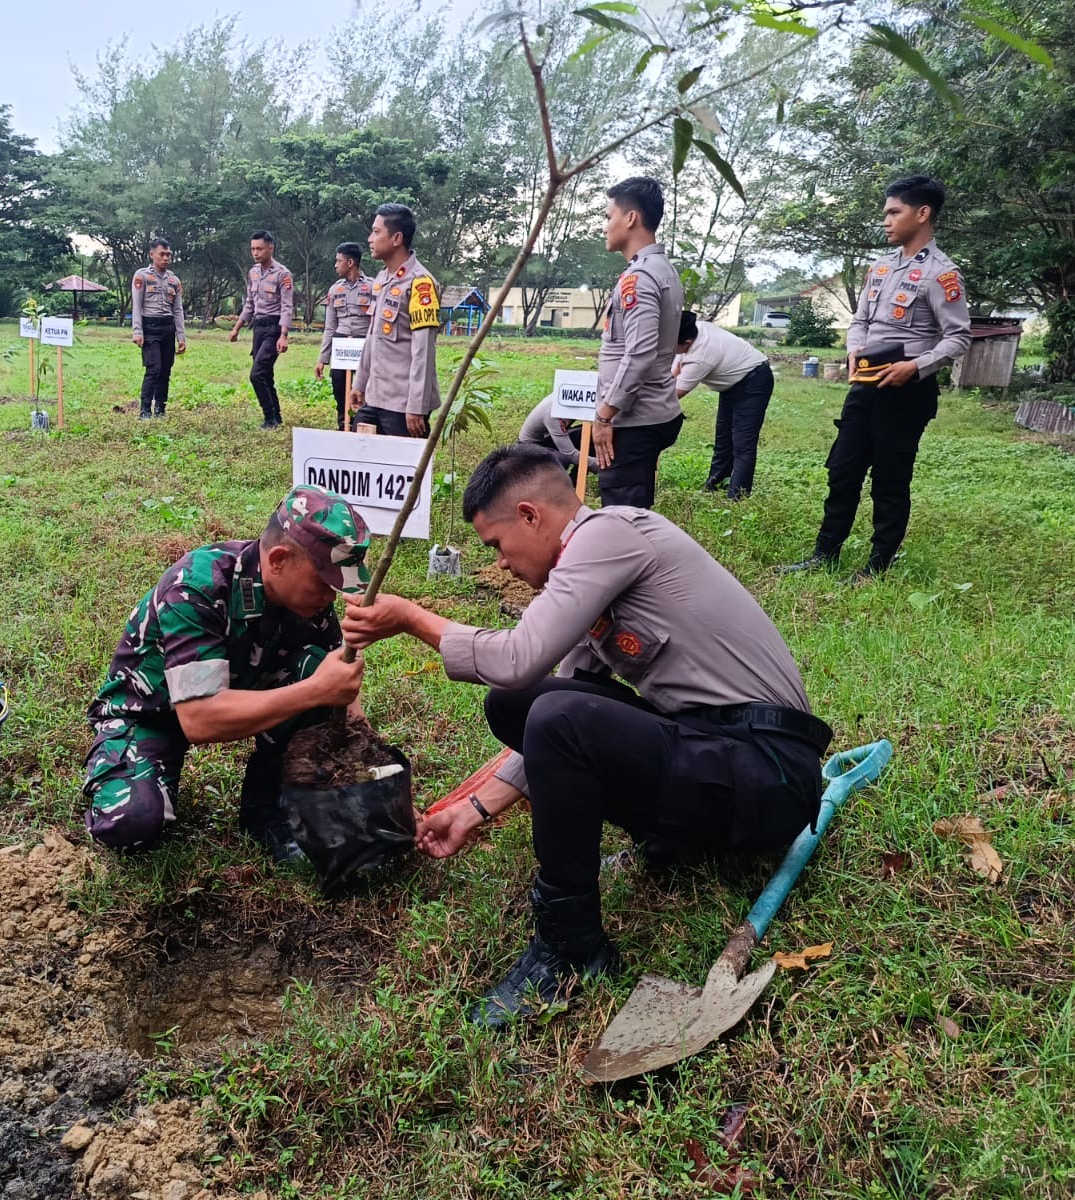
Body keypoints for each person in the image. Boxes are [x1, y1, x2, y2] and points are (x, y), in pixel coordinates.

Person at [342, 444, 831, 1028]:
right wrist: (474, 809)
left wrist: (413, 618)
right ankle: (675, 840)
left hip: (770, 773)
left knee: (547, 709)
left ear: (530, 515)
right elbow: (554, 708)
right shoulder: (596, 572)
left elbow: (521, 659)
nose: (499, 565)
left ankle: (571, 945)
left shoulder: (608, 536)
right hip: (719, 757)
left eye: (496, 546)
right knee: (526, 708)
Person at [81, 485, 371, 862]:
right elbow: (200, 720)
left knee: (320, 669)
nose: (330, 597)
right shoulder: (197, 586)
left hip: (244, 694)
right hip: (152, 716)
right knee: (130, 823)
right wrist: (317, 690)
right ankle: (133, 767)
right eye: (323, 582)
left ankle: (267, 806)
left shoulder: (306, 598)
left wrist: (370, 771)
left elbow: (339, 687)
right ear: (279, 559)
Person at [781, 175, 971, 580]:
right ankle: (824, 552)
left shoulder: (943, 274)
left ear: (922, 214)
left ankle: (877, 563)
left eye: (893, 212)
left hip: (907, 392)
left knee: (890, 479)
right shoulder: (881, 267)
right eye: (885, 212)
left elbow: (958, 337)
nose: (885, 220)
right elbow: (861, 321)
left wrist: (915, 367)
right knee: (842, 470)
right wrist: (854, 348)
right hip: (865, 386)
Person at [592, 178, 683, 509]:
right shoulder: (663, 269)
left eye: (608, 216)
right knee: (637, 512)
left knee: (621, 518)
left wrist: (604, 417)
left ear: (630, 218)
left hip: (634, 420)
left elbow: (640, 354)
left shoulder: (640, 277)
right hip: (653, 412)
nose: (605, 226)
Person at [349, 203, 441, 438]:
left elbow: (423, 352)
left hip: (403, 403)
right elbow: (372, 336)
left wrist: (416, 407)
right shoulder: (382, 278)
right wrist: (360, 383)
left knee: (404, 471)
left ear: (396, 238)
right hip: (375, 395)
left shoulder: (420, 284)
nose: (370, 239)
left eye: (377, 232)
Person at [674, 311, 774, 499]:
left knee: (743, 443)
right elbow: (675, 370)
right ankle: (714, 486)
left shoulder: (701, 356)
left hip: (754, 381)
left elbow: (673, 395)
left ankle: (737, 497)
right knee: (723, 439)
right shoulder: (696, 329)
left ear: (686, 342)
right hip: (732, 382)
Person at [228, 231, 294, 429]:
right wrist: (236, 328)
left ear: (270, 248)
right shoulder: (253, 273)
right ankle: (276, 416)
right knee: (266, 375)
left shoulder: (283, 274)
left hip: (274, 328)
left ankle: (269, 418)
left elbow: (287, 306)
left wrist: (283, 335)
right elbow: (249, 303)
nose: (255, 253)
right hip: (258, 327)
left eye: (259, 249)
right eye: (252, 249)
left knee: (256, 374)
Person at [316, 241, 374, 429]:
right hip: (341, 343)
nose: (335, 265)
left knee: (366, 385)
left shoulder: (373, 287)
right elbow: (330, 326)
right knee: (339, 384)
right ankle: (343, 421)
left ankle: (364, 421)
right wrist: (323, 358)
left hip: (364, 342)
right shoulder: (335, 289)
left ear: (350, 263)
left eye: (338, 261)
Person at [131, 238, 187, 419]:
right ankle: (145, 410)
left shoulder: (174, 280)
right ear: (152, 254)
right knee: (153, 368)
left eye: (168, 254)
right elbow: (137, 306)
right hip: (150, 327)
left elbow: (178, 310)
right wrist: (137, 331)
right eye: (162, 254)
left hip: (168, 328)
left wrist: (181, 336)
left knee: (165, 371)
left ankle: (160, 409)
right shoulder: (142, 276)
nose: (166, 258)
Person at [517, 394, 590, 476]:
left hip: (550, 438)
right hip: (530, 446)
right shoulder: (553, 412)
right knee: (560, 460)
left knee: (593, 435)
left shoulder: (578, 398)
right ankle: (551, 485)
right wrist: (601, 465)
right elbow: (570, 454)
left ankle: (576, 482)